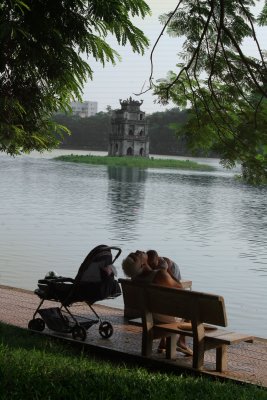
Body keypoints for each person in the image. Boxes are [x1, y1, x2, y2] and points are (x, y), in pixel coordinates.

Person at [122, 250, 193, 356]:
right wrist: (167, 269)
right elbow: (180, 288)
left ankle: (163, 342)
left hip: (150, 320)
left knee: (163, 305)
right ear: (142, 264)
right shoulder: (160, 274)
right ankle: (181, 340)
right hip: (165, 322)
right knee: (192, 307)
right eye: (137, 255)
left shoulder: (135, 278)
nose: (138, 251)